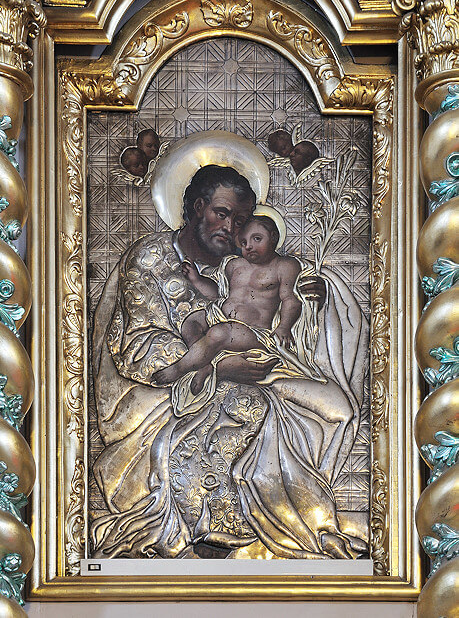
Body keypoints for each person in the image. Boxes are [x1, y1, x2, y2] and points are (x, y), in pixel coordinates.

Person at [91, 158, 368, 560]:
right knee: (245, 408)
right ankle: (210, 533)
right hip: (165, 389)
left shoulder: (247, 261)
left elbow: (288, 304)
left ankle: (297, 521)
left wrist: (315, 302)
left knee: (335, 408)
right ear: (196, 207)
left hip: (258, 363)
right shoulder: (151, 257)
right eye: (221, 214)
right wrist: (218, 369)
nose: (231, 228)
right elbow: (138, 342)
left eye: (240, 221)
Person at [153, 215, 307, 393]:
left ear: (273, 237)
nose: (248, 246)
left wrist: (284, 327)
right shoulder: (234, 264)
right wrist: (197, 280)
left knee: (220, 333)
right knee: (191, 322)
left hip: (253, 332)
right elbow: (218, 294)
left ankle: (179, 368)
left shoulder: (284, 266)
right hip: (219, 317)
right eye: (243, 242)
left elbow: (290, 299)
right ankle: (204, 364)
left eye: (257, 239)